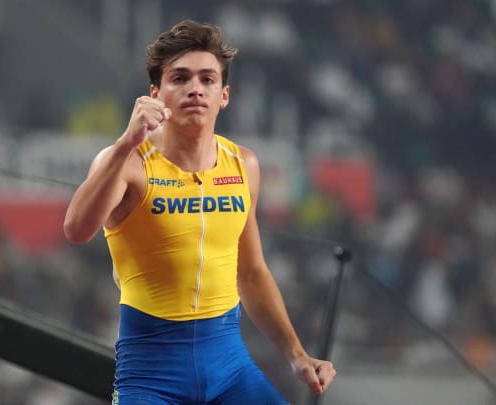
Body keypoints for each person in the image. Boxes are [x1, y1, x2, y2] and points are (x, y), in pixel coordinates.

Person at [64, 19, 336, 404]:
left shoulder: (244, 165)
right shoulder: (126, 162)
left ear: (224, 95)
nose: (195, 89)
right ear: (155, 94)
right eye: (180, 78)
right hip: (150, 375)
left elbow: (252, 272)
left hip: (229, 367)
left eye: (207, 80)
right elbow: (75, 229)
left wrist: (296, 355)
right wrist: (127, 142)